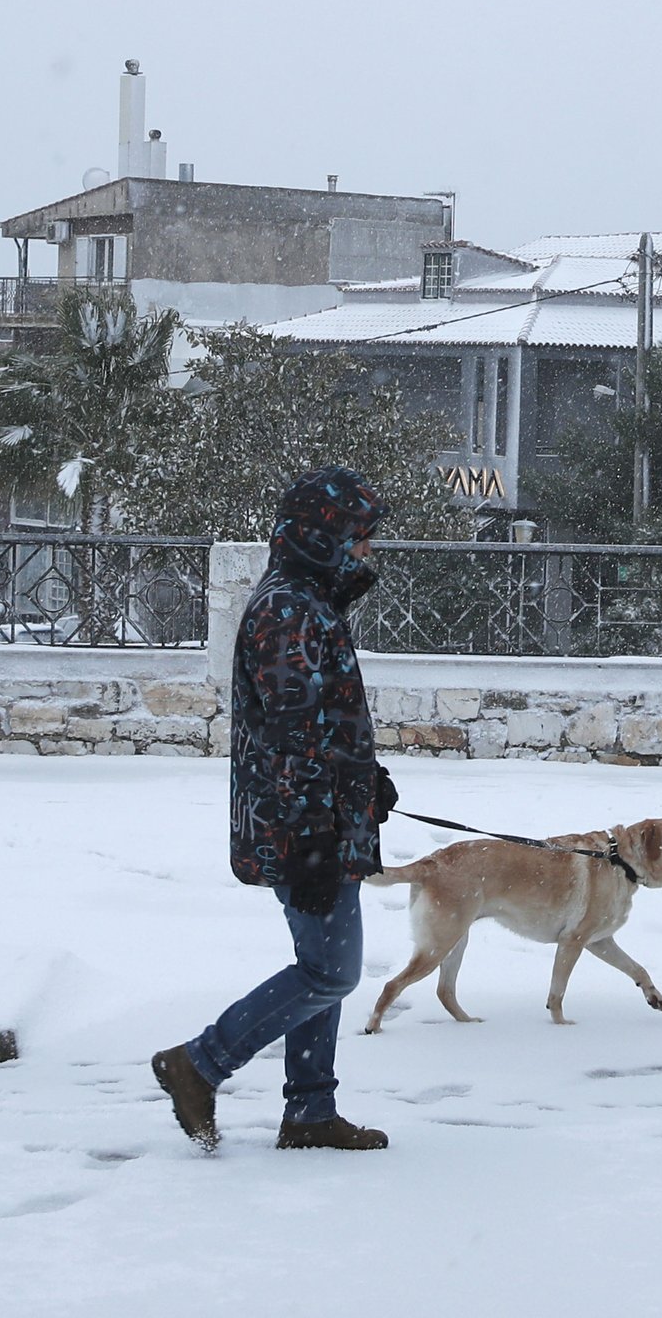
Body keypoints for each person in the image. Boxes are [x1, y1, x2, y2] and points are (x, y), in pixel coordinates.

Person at [153, 467, 399, 1152]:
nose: (366, 552)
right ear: (324, 536)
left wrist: (365, 781)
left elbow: (324, 722)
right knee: (331, 971)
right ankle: (199, 1063)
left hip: (321, 816)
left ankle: (311, 1110)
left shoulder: (311, 602)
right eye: (358, 537)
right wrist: (318, 829)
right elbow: (292, 737)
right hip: (301, 825)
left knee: (320, 966)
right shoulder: (288, 609)